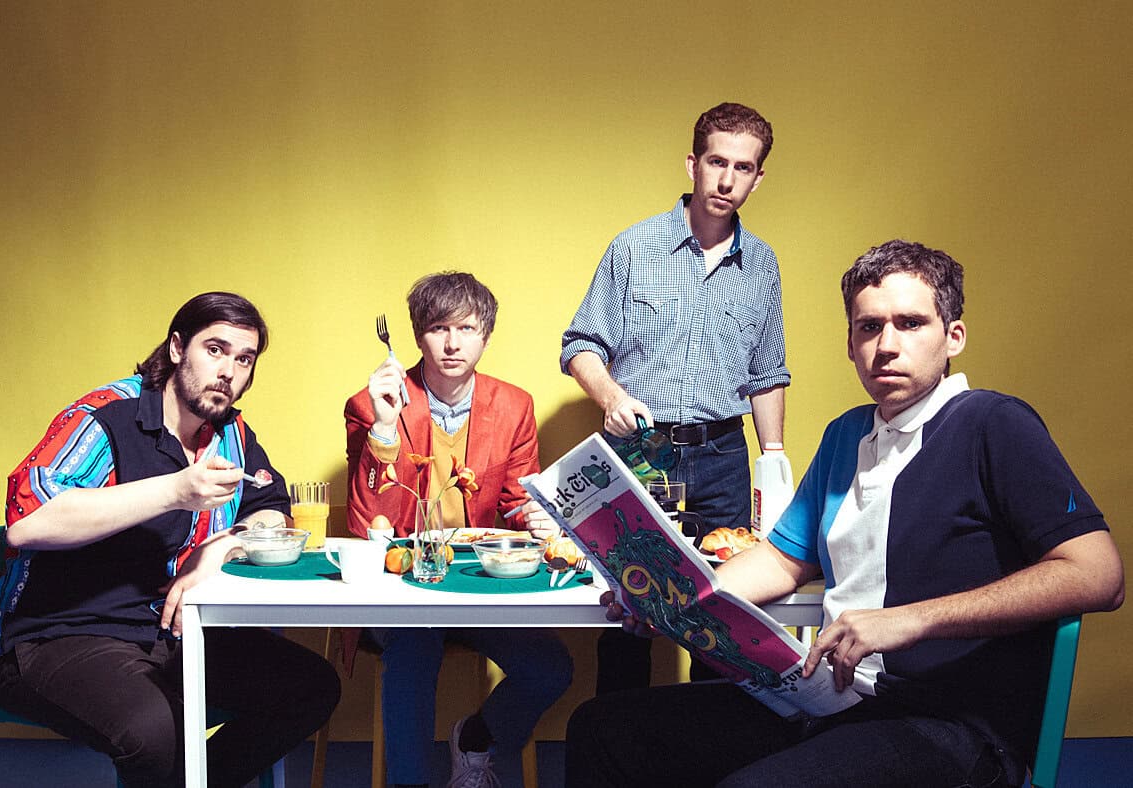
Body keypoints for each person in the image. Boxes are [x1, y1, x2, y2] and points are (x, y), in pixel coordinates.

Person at [564, 240, 1125, 787]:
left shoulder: (993, 424)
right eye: (868, 327)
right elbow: (783, 561)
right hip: (828, 697)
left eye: (910, 323)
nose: (886, 345)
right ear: (851, 343)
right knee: (602, 729)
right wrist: (671, 596)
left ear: (953, 336)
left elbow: (1097, 573)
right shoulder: (846, 434)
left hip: (949, 724)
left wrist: (909, 620)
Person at [0, 292, 342, 788]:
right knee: (159, 731)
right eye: (214, 350)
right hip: (60, 636)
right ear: (177, 348)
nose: (228, 371)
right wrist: (174, 491)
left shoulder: (231, 432)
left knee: (311, 688)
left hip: (172, 635)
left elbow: (272, 509)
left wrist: (224, 545)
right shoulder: (106, 417)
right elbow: (30, 519)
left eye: (244, 358)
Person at [561, 101, 790, 691]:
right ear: (692, 163)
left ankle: (710, 758)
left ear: (759, 177)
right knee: (629, 614)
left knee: (726, 618)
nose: (726, 180)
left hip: (723, 457)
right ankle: (620, 755)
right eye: (716, 162)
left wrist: (774, 461)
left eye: (743, 168)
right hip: (643, 450)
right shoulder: (633, 248)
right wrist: (610, 395)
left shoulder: (762, 264)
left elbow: (767, 371)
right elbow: (580, 344)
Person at [345, 272, 572, 788]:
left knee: (550, 668)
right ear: (417, 335)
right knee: (413, 648)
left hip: (476, 582)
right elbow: (367, 525)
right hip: (399, 585)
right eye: (437, 328)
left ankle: (475, 741)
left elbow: (515, 505)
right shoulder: (370, 403)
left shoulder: (513, 406)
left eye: (466, 328)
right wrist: (383, 427)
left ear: (486, 335)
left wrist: (537, 518)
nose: (451, 343)